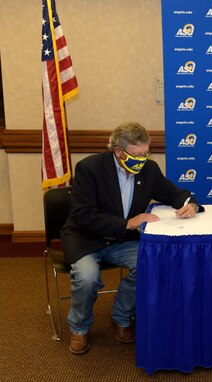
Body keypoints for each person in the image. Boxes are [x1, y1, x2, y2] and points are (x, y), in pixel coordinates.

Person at [60, 122, 203, 355]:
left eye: (146, 153)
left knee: (149, 264)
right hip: (87, 238)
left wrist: (191, 205)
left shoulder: (148, 169)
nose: (143, 159)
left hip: (122, 240)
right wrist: (128, 223)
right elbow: (83, 215)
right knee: (87, 277)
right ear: (118, 151)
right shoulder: (89, 168)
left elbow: (174, 193)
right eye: (137, 155)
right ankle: (79, 327)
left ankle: (121, 316)